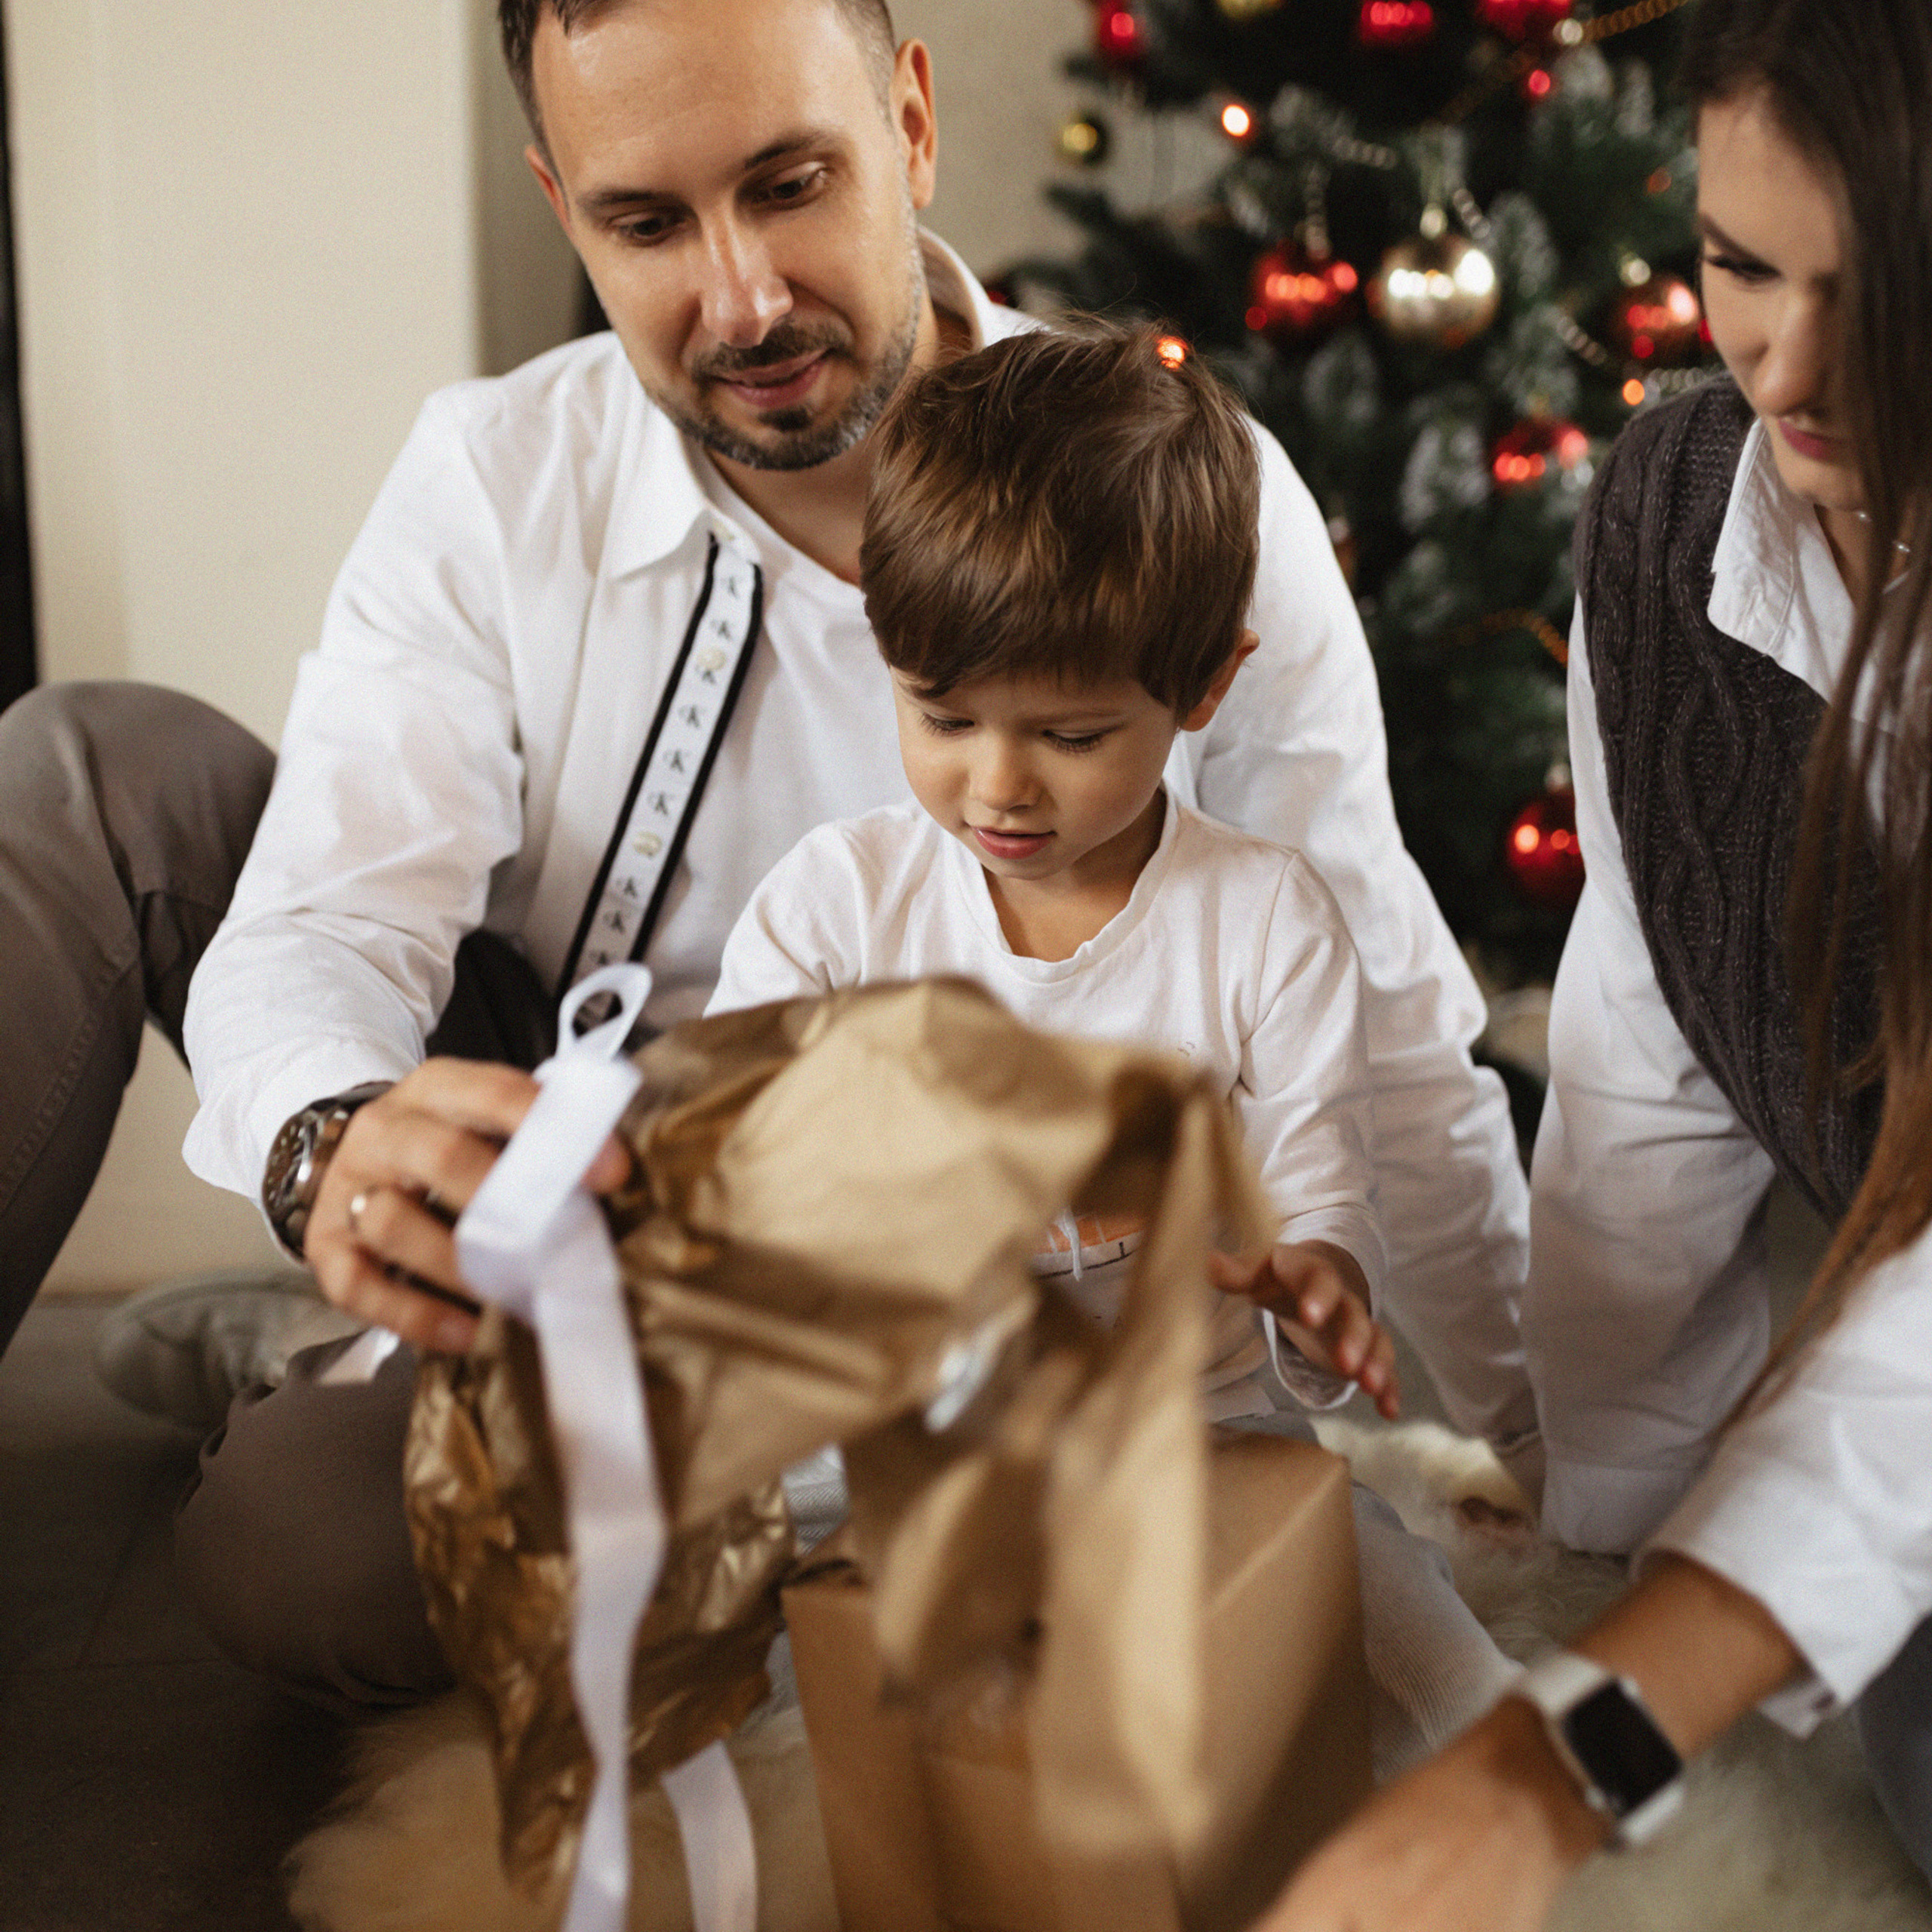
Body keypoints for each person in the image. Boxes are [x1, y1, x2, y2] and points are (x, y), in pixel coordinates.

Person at [0, 0, 1524, 1706]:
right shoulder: (497, 474)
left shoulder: (1184, 499)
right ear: (562, 203)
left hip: (893, 1278)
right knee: (83, 772)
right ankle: (353, 1287)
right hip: (554, 1105)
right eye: (645, 223)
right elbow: (327, 913)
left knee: (313, 1551)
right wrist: (334, 1145)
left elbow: (1383, 1019)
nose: (740, 301)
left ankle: (332, 1363)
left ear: (910, 126)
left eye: (789, 185)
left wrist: (1534, 1443)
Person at [1258, 0, 1932, 1924]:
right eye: (1737, 266)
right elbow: (1645, 1029)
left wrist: (1553, 1764)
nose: (1780, 361)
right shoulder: (1670, 509)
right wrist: (1598, 1536)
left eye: (1869, 296)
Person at [709, 321, 1527, 1774]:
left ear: (1203, 686)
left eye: (1072, 736)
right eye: (942, 716)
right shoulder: (835, 912)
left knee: (1404, 1627)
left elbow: (1321, 1174)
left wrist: (1322, 1283)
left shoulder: (1264, 919)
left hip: (1196, 1433)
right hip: (914, 1445)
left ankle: (1513, 1768)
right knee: (778, 1649)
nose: (998, 787)